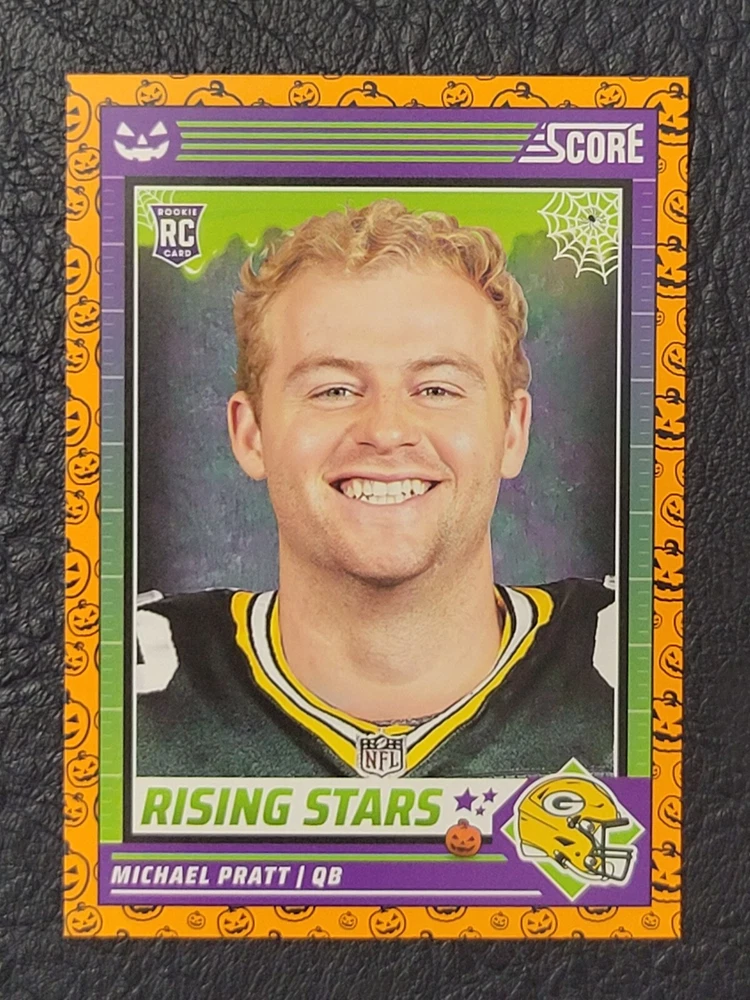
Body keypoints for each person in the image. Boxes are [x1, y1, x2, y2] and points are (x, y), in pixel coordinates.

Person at [136, 199, 616, 779]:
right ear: (250, 433)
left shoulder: (643, 665)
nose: (387, 431)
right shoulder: (119, 686)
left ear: (513, 431)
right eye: (334, 390)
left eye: (437, 389)